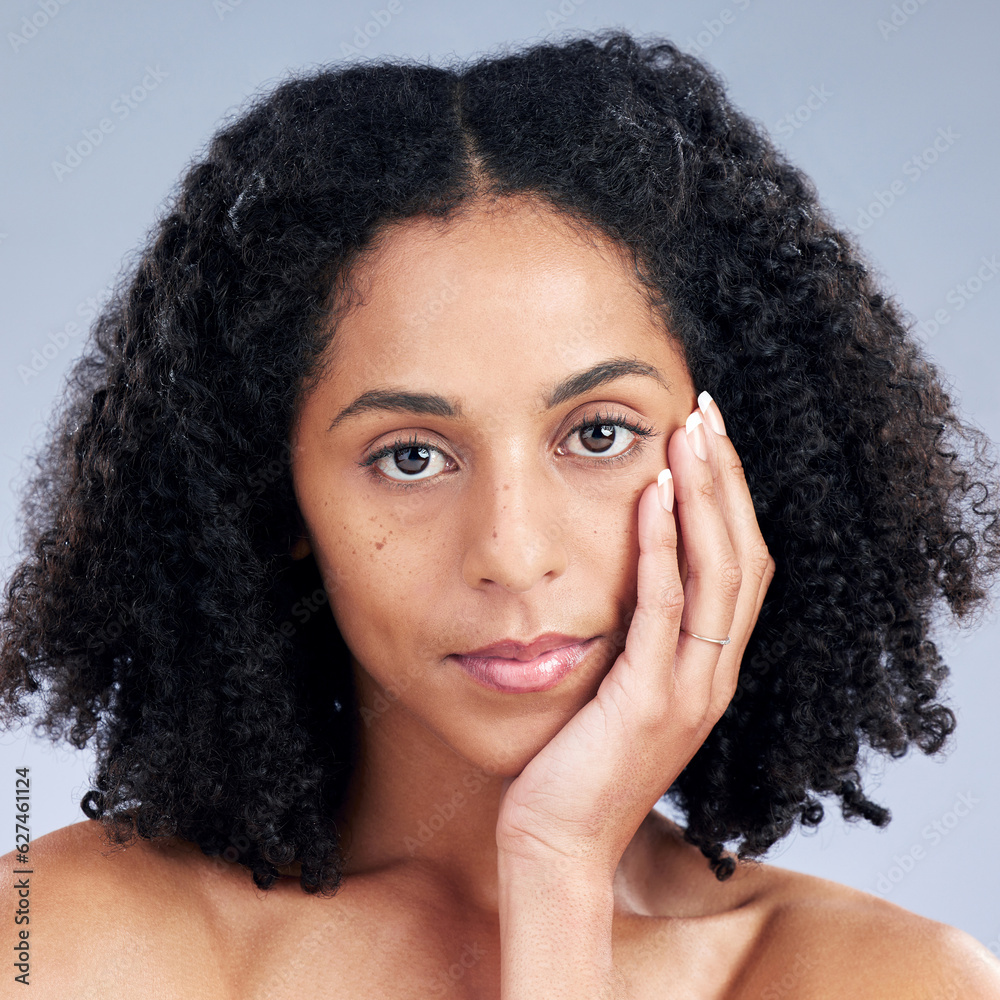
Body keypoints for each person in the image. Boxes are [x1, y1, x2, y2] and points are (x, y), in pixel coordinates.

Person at [3, 28, 1000, 998]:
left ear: (739, 458)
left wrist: (558, 864)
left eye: (598, 433)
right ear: (278, 497)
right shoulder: (56, 944)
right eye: (409, 455)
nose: (512, 553)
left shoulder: (886, 982)